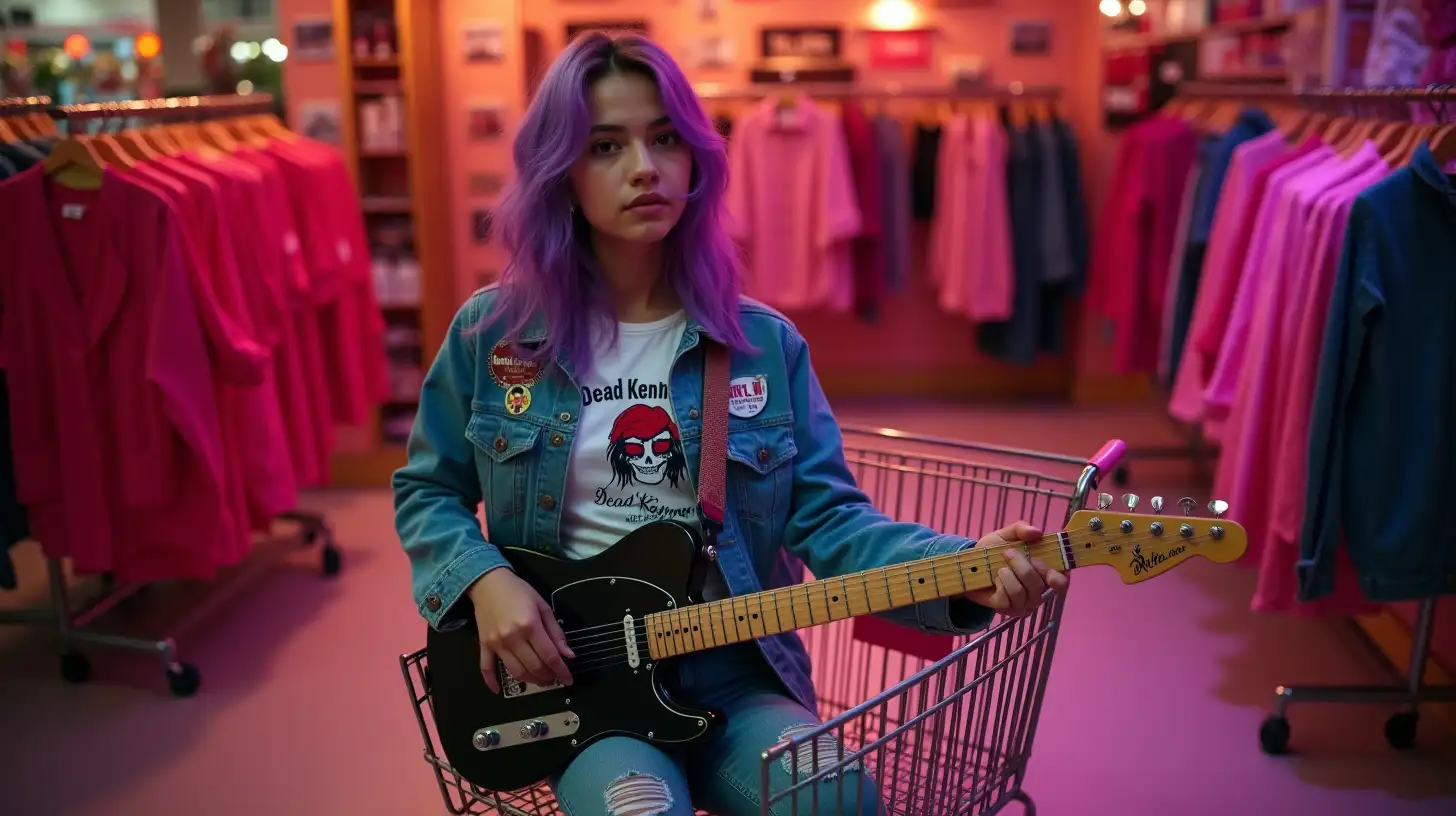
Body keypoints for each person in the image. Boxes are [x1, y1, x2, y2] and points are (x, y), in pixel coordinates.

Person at [393, 31, 1069, 816]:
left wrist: (965, 565)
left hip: (738, 674)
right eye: (606, 145)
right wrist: (485, 580)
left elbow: (832, 520)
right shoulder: (495, 337)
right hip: (581, 691)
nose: (644, 167)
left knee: (839, 799)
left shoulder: (761, 346)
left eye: (665, 138)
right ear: (561, 175)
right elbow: (426, 491)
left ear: (696, 162)